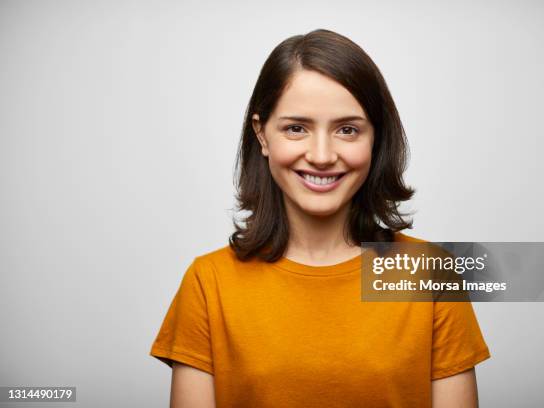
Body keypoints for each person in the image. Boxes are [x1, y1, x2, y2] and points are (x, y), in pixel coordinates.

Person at [150, 28, 490, 408]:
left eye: (347, 129)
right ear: (262, 135)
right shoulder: (208, 283)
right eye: (296, 128)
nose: (323, 155)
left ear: (375, 138)